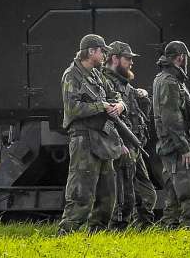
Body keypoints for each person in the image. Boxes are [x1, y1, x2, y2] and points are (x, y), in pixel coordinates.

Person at [58, 33, 126, 235]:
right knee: (81, 190)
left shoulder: (97, 75)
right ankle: (67, 233)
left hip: (102, 139)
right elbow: (72, 109)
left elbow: (114, 94)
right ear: (91, 51)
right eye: (102, 51)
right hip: (83, 139)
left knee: (107, 192)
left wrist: (120, 105)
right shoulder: (72, 75)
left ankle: (98, 232)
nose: (105, 55)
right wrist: (101, 106)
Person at [101, 40, 157, 229]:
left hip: (135, 146)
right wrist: (118, 144)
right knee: (123, 196)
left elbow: (140, 115)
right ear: (115, 59)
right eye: (127, 58)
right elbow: (106, 119)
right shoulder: (106, 83)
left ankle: (144, 228)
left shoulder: (126, 85)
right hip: (122, 147)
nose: (131, 62)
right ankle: (117, 230)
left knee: (147, 194)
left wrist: (143, 98)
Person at [152, 40, 190, 229]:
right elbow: (171, 118)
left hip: (169, 143)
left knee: (174, 191)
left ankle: (170, 226)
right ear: (180, 57)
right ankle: (189, 228)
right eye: (185, 58)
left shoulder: (162, 79)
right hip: (176, 145)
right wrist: (184, 148)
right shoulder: (170, 82)